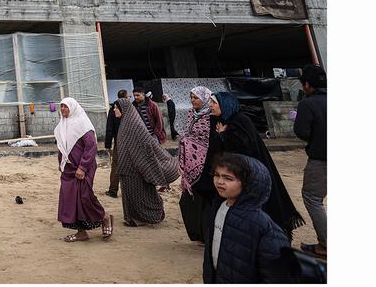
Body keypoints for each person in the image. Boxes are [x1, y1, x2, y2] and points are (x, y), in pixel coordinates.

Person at [210, 91, 305, 241]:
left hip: (251, 176)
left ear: (225, 104)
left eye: (214, 102)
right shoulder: (223, 121)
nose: (210, 106)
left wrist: (224, 135)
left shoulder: (240, 121)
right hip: (235, 176)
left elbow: (244, 148)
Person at [203, 153, 291, 284]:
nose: (220, 181)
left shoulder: (262, 225)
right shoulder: (218, 208)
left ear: (248, 184)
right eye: (217, 175)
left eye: (228, 178)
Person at [114, 97, 180, 226]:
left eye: (116, 107)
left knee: (141, 195)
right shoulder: (125, 122)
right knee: (130, 195)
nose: (114, 110)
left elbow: (146, 143)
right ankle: (133, 218)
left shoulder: (134, 124)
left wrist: (142, 161)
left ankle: (151, 216)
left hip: (137, 167)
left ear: (123, 109)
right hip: (127, 167)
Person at [56, 97, 113, 242]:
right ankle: (81, 232)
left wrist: (82, 167)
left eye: (65, 107)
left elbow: (91, 146)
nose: (63, 109)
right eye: (61, 106)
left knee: (84, 196)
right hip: (68, 170)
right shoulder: (62, 125)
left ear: (73, 107)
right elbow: (62, 147)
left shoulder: (83, 123)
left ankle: (104, 217)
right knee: (70, 200)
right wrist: (61, 163)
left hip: (82, 168)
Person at [177, 86, 220, 243]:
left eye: (196, 97)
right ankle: (198, 234)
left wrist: (189, 141)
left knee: (206, 202)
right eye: (191, 98)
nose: (193, 100)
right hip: (191, 165)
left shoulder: (212, 117)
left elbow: (210, 140)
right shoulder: (191, 114)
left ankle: (207, 235)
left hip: (207, 165)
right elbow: (188, 133)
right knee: (190, 202)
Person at [294, 64, 327, 258]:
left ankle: (326, 244)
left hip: (321, 159)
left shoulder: (308, 103)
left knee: (312, 198)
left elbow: (302, 132)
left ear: (306, 85)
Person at [104, 89, 127, 198]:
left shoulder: (113, 109)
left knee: (116, 166)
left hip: (119, 141)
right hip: (128, 141)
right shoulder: (130, 108)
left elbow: (109, 129)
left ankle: (113, 190)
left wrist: (108, 145)